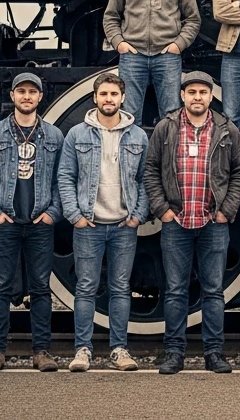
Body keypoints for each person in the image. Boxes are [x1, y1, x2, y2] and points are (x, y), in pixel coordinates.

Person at [145, 71, 240, 375]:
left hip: (213, 221)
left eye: (203, 92)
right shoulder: (166, 128)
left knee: (213, 291)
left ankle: (214, 352)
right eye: (192, 92)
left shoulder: (226, 129)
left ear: (210, 96)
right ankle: (174, 352)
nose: (198, 97)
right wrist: (162, 209)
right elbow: (151, 170)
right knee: (176, 290)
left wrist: (225, 211)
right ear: (182, 96)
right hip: (176, 220)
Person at [58, 73, 150, 373]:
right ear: (95, 98)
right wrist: (75, 216)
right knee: (85, 288)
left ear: (122, 98)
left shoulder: (137, 135)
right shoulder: (77, 135)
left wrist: (138, 215)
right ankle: (82, 350)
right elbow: (65, 176)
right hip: (90, 224)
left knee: (120, 289)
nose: (109, 99)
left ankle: (119, 349)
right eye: (103, 94)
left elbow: (145, 179)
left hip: (124, 224)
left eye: (114, 94)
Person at [0, 72, 63, 372]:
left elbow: (65, 178)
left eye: (32, 92)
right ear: (12, 96)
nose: (26, 96)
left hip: (39, 223)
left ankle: (41, 352)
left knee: (40, 288)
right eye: (21, 91)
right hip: (6, 221)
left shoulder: (54, 136)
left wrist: (52, 212)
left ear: (40, 97)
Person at [102, 0, 202, 124]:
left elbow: (192, 18)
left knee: (171, 114)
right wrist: (119, 43)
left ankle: (168, 157)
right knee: (129, 114)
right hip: (133, 55)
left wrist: (178, 45)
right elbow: (111, 15)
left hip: (167, 55)